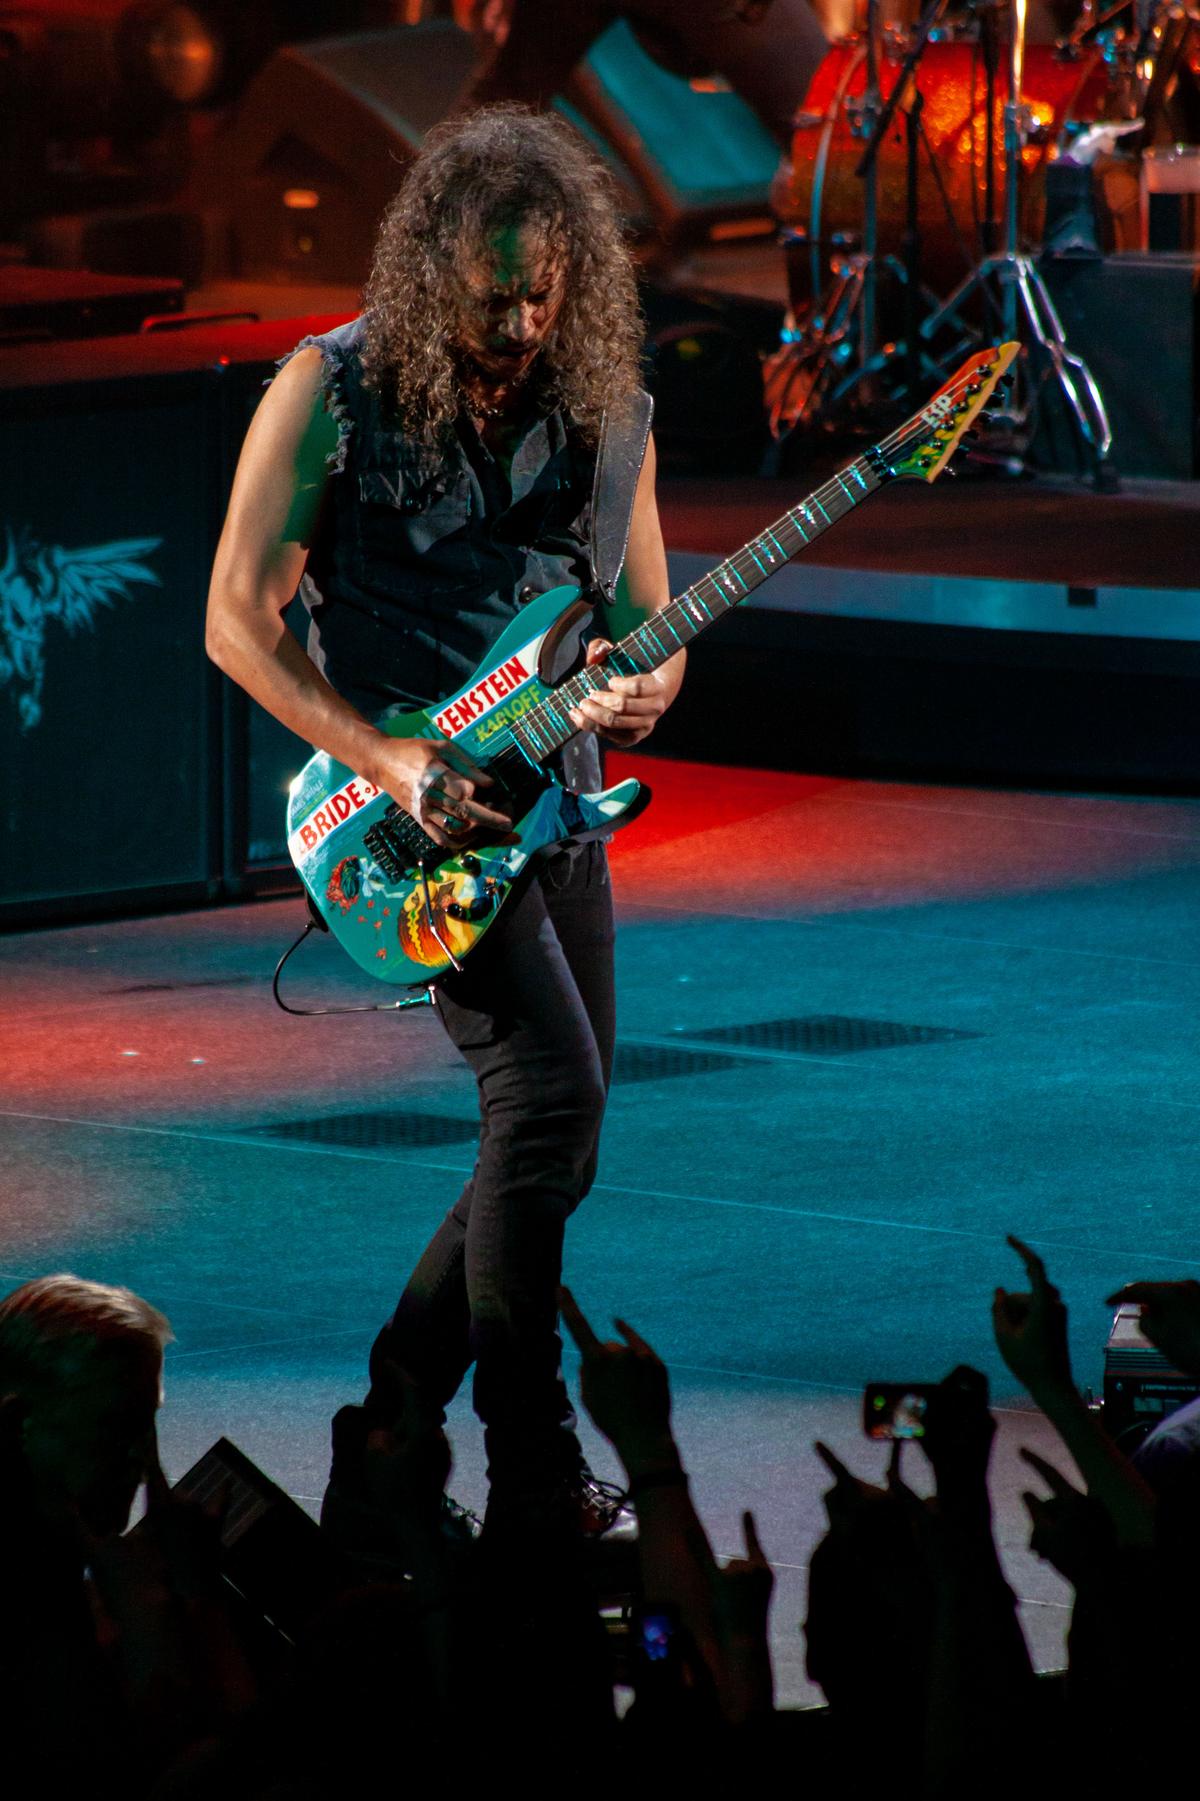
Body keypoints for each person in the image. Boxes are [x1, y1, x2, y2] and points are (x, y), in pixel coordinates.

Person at [206, 106, 685, 1541]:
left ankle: (391, 1415)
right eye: (494, 298)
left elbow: (649, 622)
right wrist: (389, 758)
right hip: (409, 822)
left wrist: (650, 683)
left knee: (558, 1143)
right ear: (433, 275)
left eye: (544, 294)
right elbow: (235, 619)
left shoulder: (607, 406)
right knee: (548, 1103)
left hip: (562, 803)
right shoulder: (333, 388)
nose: (523, 324)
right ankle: (531, 1463)